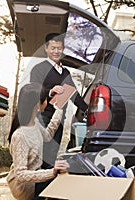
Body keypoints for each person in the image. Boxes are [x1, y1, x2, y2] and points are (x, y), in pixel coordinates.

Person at [8, 33, 88, 167]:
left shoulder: (66, 73)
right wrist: (51, 91)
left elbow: (74, 96)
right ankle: (38, 184)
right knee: (40, 155)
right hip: (42, 118)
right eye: (53, 48)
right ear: (46, 48)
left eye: (59, 48)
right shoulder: (39, 69)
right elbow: (33, 92)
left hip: (59, 120)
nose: (56, 51)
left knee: (52, 155)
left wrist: (88, 110)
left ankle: (46, 183)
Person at [7, 83, 70, 200]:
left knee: (65, 169)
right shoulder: (20, 136)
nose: (47, 102)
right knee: (59, 181)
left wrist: (58, 111)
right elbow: (20, 175)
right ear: (37, 105)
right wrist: (51, 172)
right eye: (45, 99)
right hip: (25, 187)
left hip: (36, 176)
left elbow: (47, 136)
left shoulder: (34, 123)